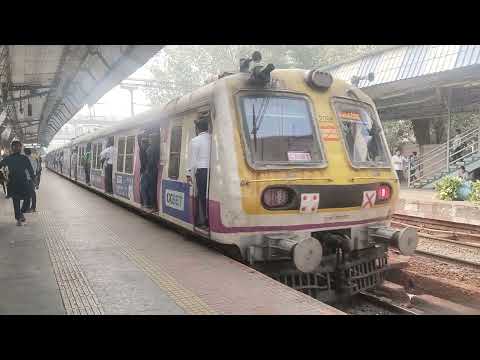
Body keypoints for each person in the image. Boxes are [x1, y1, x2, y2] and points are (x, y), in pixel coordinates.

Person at [0, 141, 35, 226]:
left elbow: (30, 169)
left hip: (22, 182)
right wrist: (4, 178)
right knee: (16, 202)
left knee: (27, 198)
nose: (17, 148)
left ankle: (21, 213)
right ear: (12, 148)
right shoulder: (8, 158)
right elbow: (0, 167)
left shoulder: (24, 158)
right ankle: (18, 219)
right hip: (13, 183)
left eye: (19, 147)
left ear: (21, 148)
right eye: (15, 147)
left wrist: (33, 179)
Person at [187, 117, 211, 229]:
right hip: (213, 171)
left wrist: (189, 174)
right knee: (210, 195)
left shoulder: (195, 140)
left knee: (201, 196)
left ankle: (203, 221)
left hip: (201, 171)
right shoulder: (213, 138)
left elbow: (192, 160)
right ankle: (211, 219)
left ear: (197, 128)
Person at [21, 148, 38, 213]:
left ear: (25, 153)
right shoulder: (34, 159)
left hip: (26, 178)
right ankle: (31, 207)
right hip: (32, 178)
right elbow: (35, 168)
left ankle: (28, 208)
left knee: (28, 193)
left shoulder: (24, 159)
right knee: (31, 193)